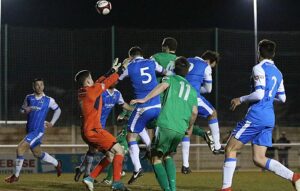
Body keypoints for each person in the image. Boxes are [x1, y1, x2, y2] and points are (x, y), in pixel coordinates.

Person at [220, 39, 300, 191]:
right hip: (269, 117)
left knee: (230, 148)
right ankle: (294, 177)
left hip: (256, 115)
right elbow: (282, 98)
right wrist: (268, 99)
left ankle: (226, 188)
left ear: (259, 52)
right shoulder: (278, 72)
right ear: (273, 53)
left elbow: (258, 94)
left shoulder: (258, 68)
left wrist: (240, 99)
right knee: (259, 158)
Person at [131, 56, 198, 191]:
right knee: (167, 155)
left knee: (155, 158)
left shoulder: (170, 79)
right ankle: (173, 188)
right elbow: (195, 112)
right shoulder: (192, 89)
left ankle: (168, 190)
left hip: (166, 124)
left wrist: (145, 99)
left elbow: (162, 86)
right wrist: (190, 127)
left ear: (173, 68)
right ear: (188, 71)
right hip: (180, 129)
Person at [74, 60, 129, 191]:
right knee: (119, 150)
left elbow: (99, 82)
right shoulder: (92, 91)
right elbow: (106, 83)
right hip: (94, 130)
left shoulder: (83, 91)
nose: (93, 80)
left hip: (87, 131)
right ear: (87, 82)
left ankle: (89, 178)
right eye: (91, 78)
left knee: (110, 156)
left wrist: (111, 70)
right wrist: (121, 69)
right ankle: (116, 183)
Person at [119, 46, 165, 184]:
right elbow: (164, 71)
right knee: (140, 125)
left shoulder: (130, 66)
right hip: (157, 106)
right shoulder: (151, 62)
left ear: (131, 56)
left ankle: (137, 168)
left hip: (143, 107)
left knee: (130, 135)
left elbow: (118, 78)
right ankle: (150, 147)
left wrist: (124, 64)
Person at [5, 78, 62, 183]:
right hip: (29, 130)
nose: (39, 87)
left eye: (41, 85)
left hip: (38, 131)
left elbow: (58, 110)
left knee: (20, 149)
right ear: (33, 87)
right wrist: (24, 110)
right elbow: (22, 109)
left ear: (44, 86)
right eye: (37, 85)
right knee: (38, 153)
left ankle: (16, 176)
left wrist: (52, 123)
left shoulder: (49, 100)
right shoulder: (29, 97)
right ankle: (56, 163)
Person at [182, 50, 224, 174]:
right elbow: (209, 89)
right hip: (193, 97)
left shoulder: (186, 59)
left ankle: (185, 165)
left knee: (187, 128)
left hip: (179, 99)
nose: (212, 68)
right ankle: (217, 146)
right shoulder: (205, 66)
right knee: (213, 113)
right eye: (212, 66)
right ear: (209, 61)